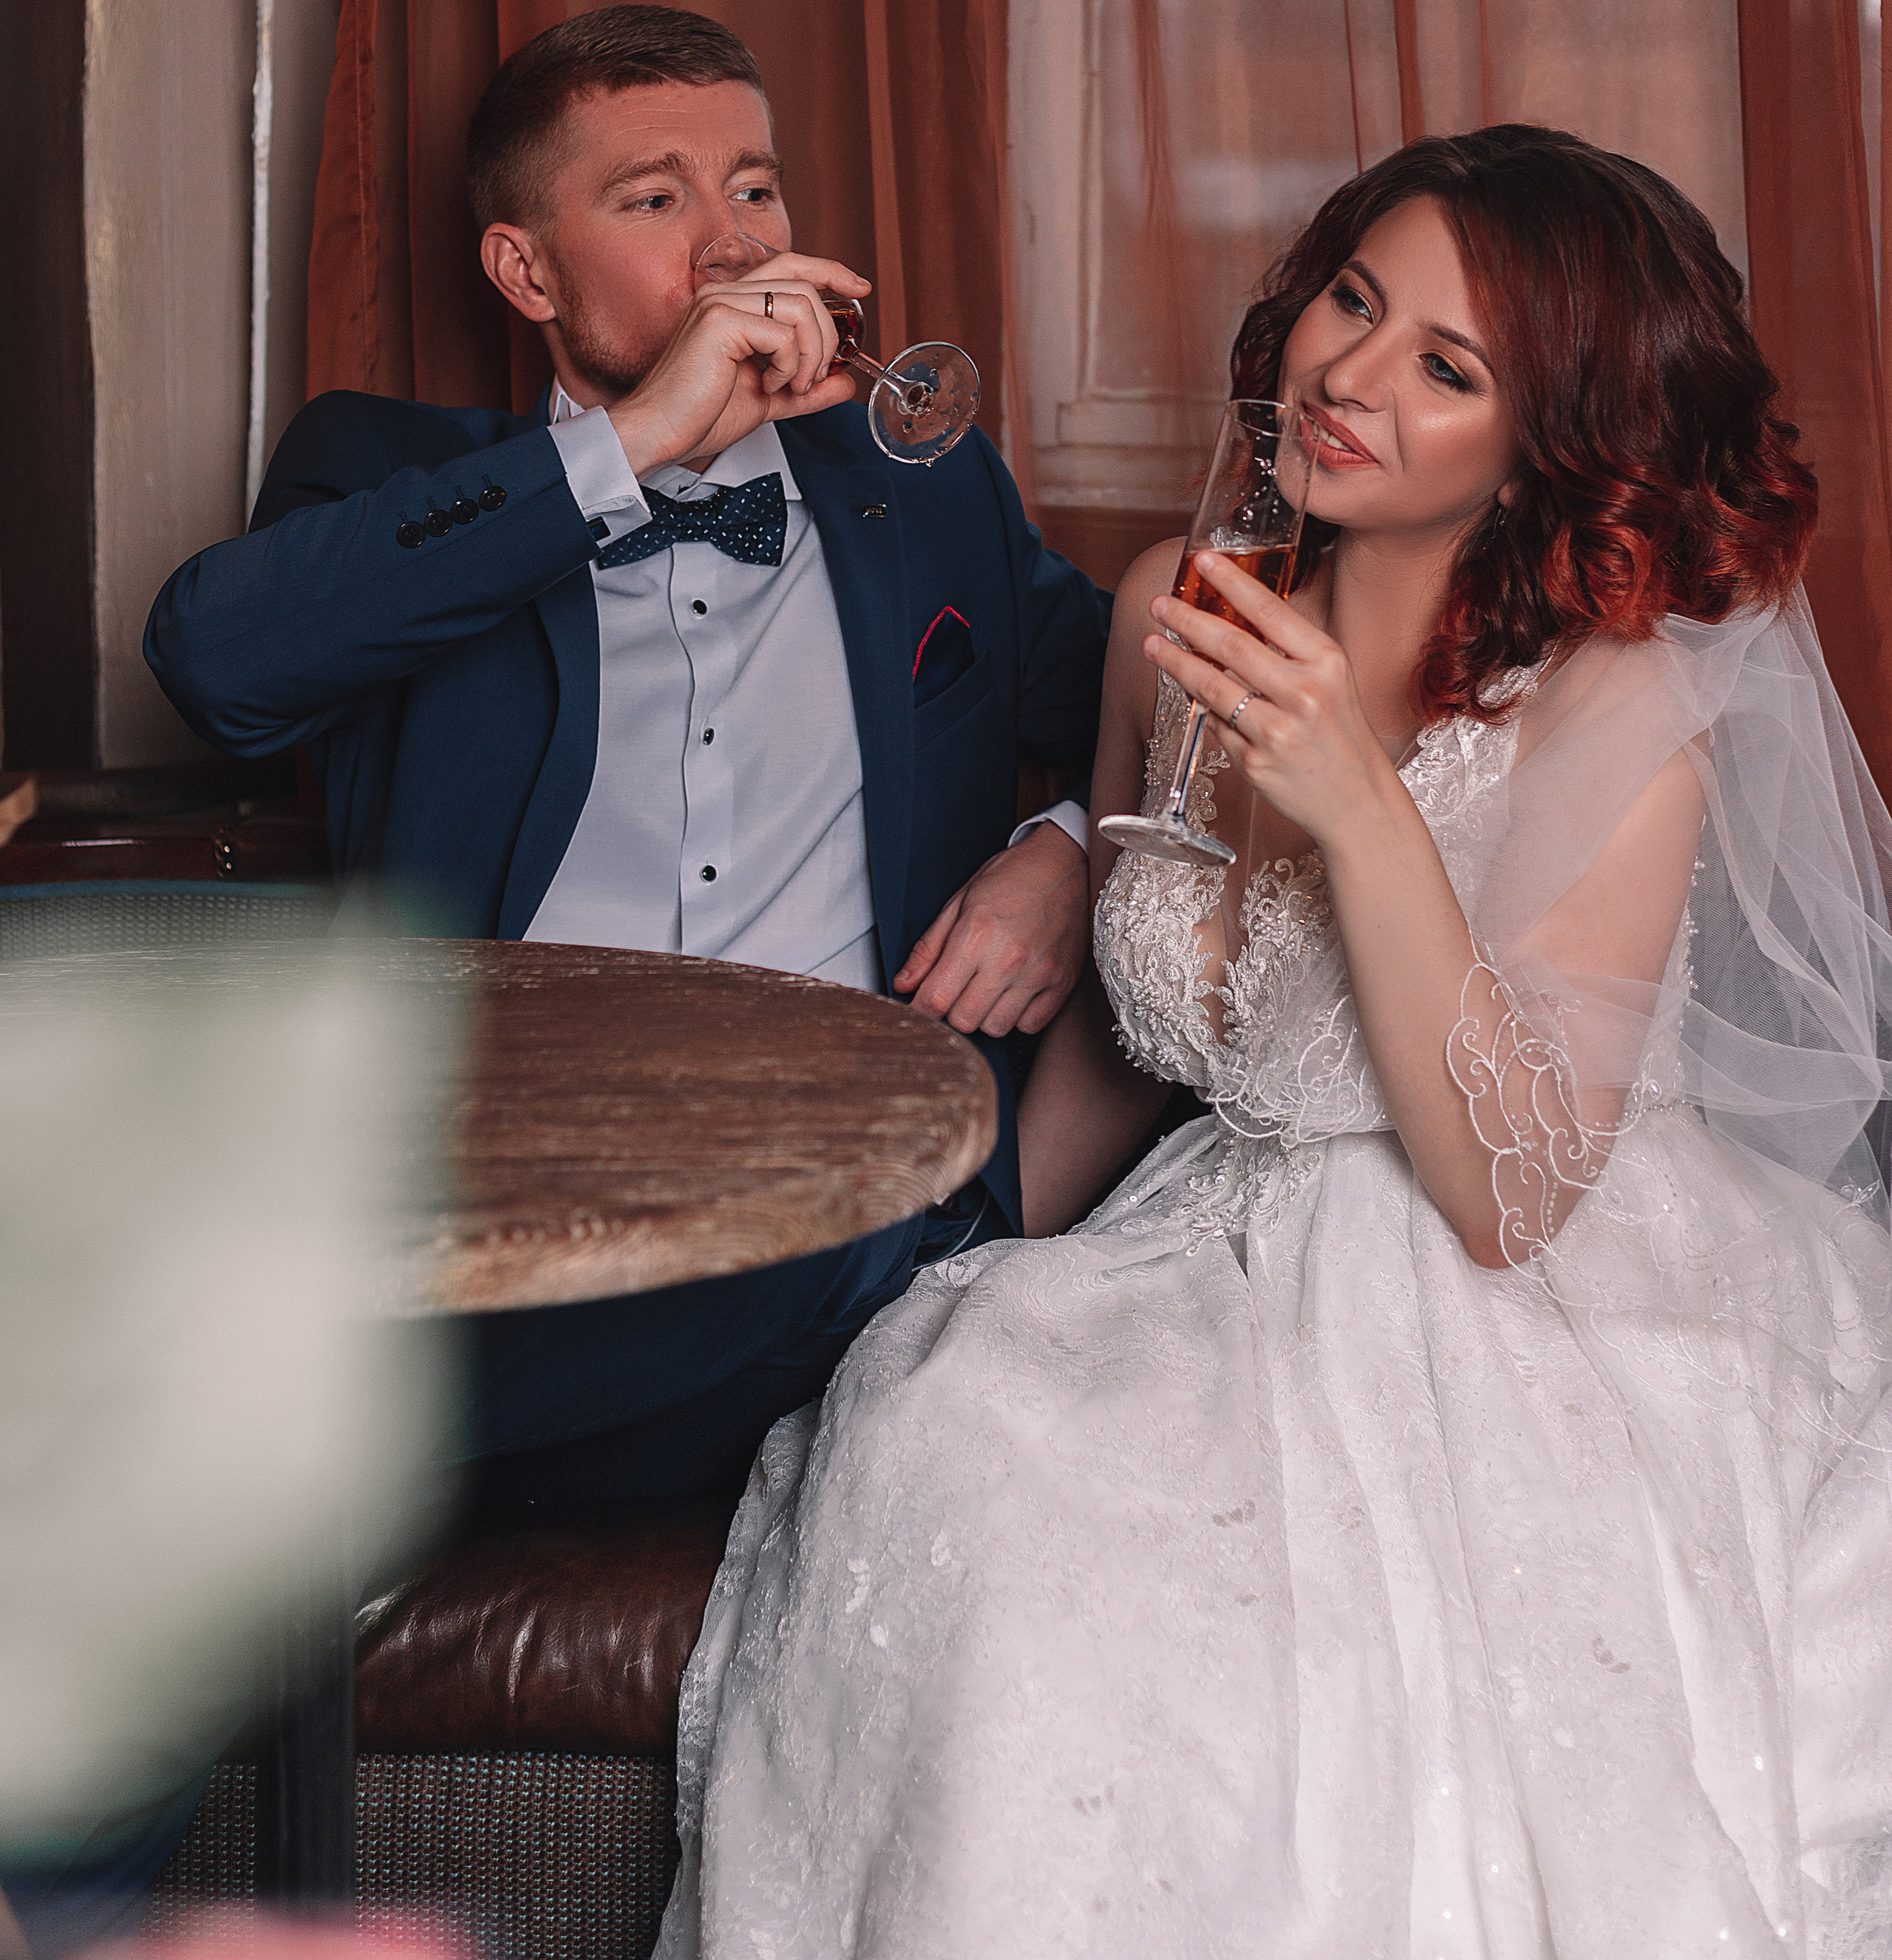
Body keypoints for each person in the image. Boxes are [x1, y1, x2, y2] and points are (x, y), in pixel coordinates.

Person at [658, 127, 1892, 1960]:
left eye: (1443, 367)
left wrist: (1358, 806)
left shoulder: (1613, 705)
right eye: (1350, 301)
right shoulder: (1170, 610)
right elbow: (1129, 1037)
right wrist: (970, 1252)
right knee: (964, 1431)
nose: (1347, 376)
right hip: (1203, 1246)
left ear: (1547, 444)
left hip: (1519, 1303)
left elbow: (1508, 1199)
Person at [146, 3, 1109, 1514]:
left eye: (756, 187)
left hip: (839, 1163)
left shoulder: (924, 491)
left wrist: (1072, 850)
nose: (735, 244)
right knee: (876, 1250)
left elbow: (1176, 714)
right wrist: (638, 438)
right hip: (506, 1195)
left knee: (875, 1207)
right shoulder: (392, 472)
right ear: (526, 271)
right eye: (657, 199)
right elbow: (215, 666)